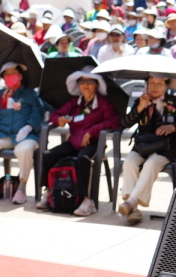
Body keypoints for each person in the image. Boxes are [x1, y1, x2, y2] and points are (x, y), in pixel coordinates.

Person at [38, 70, 121, 216]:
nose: (85, 85)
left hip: (94, 144)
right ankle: (49, 191)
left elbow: (114, 122)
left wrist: (92, 131)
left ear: (96, 84)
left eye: (89, 82)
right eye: (82, 82)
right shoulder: (75, 103)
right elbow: (54, 115)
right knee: (48, 154)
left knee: (84, 159)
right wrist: (60, 120)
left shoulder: (103, 103)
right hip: (74, 142)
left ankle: (87, 200)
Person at [116, 75, 176, 224]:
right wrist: (140, 108)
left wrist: (173, 126)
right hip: (143, 146)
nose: (155, 87)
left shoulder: (174, 102)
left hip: (165, 148)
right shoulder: (142, 100)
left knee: (151, 164)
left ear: (166, 85)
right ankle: (133, 208)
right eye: (151, 83)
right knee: (129, 162)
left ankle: (130, 202)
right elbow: (124, 123)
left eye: (159, 84)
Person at [0, 62, 43, 204]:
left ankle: (21, 188)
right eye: (7, 74)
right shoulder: (0, 94)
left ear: (20, 76)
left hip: (26, 136)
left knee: (24, 150)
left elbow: (38, 114)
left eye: (13, 73)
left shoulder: (30, 93)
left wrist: (28, 128)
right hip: (3, 134)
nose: (10, 76)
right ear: (3, 77)